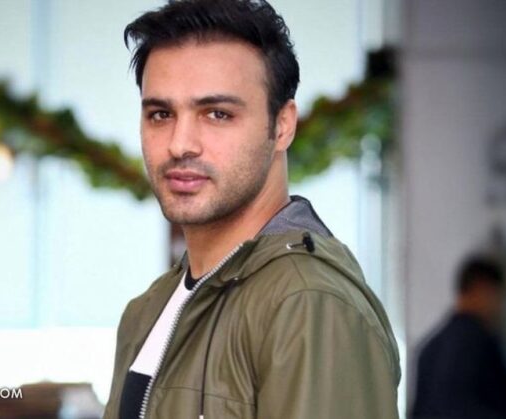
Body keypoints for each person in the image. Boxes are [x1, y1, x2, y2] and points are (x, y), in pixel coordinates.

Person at [103, 1, 401, 418]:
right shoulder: (148, 310)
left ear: (282, 125)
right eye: (161, 114)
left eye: (217, 114)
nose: (180, 144)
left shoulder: (307, 304)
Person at [411, 256, 506, 419]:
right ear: (483, 290)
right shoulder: (479, 342)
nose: (500, 308)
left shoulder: (429, 348)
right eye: (499, 298)